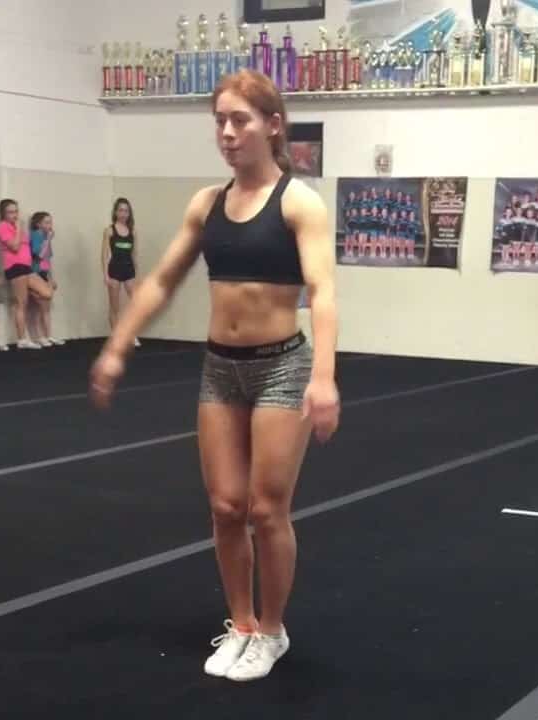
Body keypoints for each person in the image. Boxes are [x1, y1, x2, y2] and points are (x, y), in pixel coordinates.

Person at [88, 69, 339, 682]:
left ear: (272, 125)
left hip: (282, 366)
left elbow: (323, 291)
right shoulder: (206, 204)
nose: (227, 133)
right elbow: (164, 279)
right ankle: (243, 624)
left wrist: (324, 376)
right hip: (220, 369)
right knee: (226, 506)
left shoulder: (298, 202)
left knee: (265, 509)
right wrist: (118, 345)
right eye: (220, 122)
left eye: (240, 120)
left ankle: (272, 631)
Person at [0, 199, 53, 349]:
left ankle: (33, 336)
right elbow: (14, 246)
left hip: (27, 268)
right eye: (11, 212)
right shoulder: (2, 227)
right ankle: (22, 339)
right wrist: (19, 228)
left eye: (16, 211)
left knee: (46, 293)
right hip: (15, 267)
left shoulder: (17, 227)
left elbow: (27, 248)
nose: (15, 215)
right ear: (4, 214)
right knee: (22, 303)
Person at [102, 198, 141, 347]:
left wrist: (137, 274)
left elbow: (135, 254)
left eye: (126, 210)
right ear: (115, 212)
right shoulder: (109, 231)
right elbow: (104, 255)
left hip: (128, 269)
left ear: (129, 213)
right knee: (115, 306)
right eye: (120, 210)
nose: (123, 213)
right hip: (114, 270)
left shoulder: (133, 231)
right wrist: (105, 275)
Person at [27, 211, 64, 347]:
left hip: (43, 273)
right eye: (47, 222)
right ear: (38, 224)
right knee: (38, 305)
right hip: (34, 273)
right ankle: (39, 336)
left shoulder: (45, 236)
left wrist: (51, 277)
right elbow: (38, 257)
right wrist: (48, 239)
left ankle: (48, 335)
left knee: (45, 306)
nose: (50, 225)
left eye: (51, 222)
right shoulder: (36, 235)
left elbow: (47, 260)